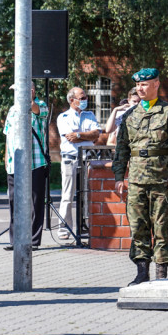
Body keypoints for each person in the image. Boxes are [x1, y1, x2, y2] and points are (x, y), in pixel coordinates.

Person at [112, 68, 168, 284]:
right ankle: (141, 273)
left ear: (156, 84)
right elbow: (121, 150)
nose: (140, 88)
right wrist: (119, 177)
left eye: (144, 84)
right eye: (137, 85)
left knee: (162, 226)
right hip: (136, 181)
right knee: (138, 226)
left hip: (161, 180)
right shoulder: (129, 116)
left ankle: (161, 273)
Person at [4, 83, 49, 250]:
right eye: (15, 91)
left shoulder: (40, 105)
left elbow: (37, 111)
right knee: (14, 202)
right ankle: (15, 241)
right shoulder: (12, 109)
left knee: (35, 203)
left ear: (31, 91)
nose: (16, 93)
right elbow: (8, 135)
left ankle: (33, 241)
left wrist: (29, 99)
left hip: (35, 163)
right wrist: (7, 160)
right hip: (14, 163)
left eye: (19, 90)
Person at [56, 86, 101, 239]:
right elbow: (70, 137)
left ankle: (86, 226)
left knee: (86, 194)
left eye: (86, 97)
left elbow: (96, 134)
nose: (85, 100)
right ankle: (64, 229)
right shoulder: (63, 117)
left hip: (86, 159)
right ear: (71, 100)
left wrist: (79, 135)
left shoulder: (90, 115)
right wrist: (86, 136)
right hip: (70, 159)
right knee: (67, 195)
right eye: (82, 98)